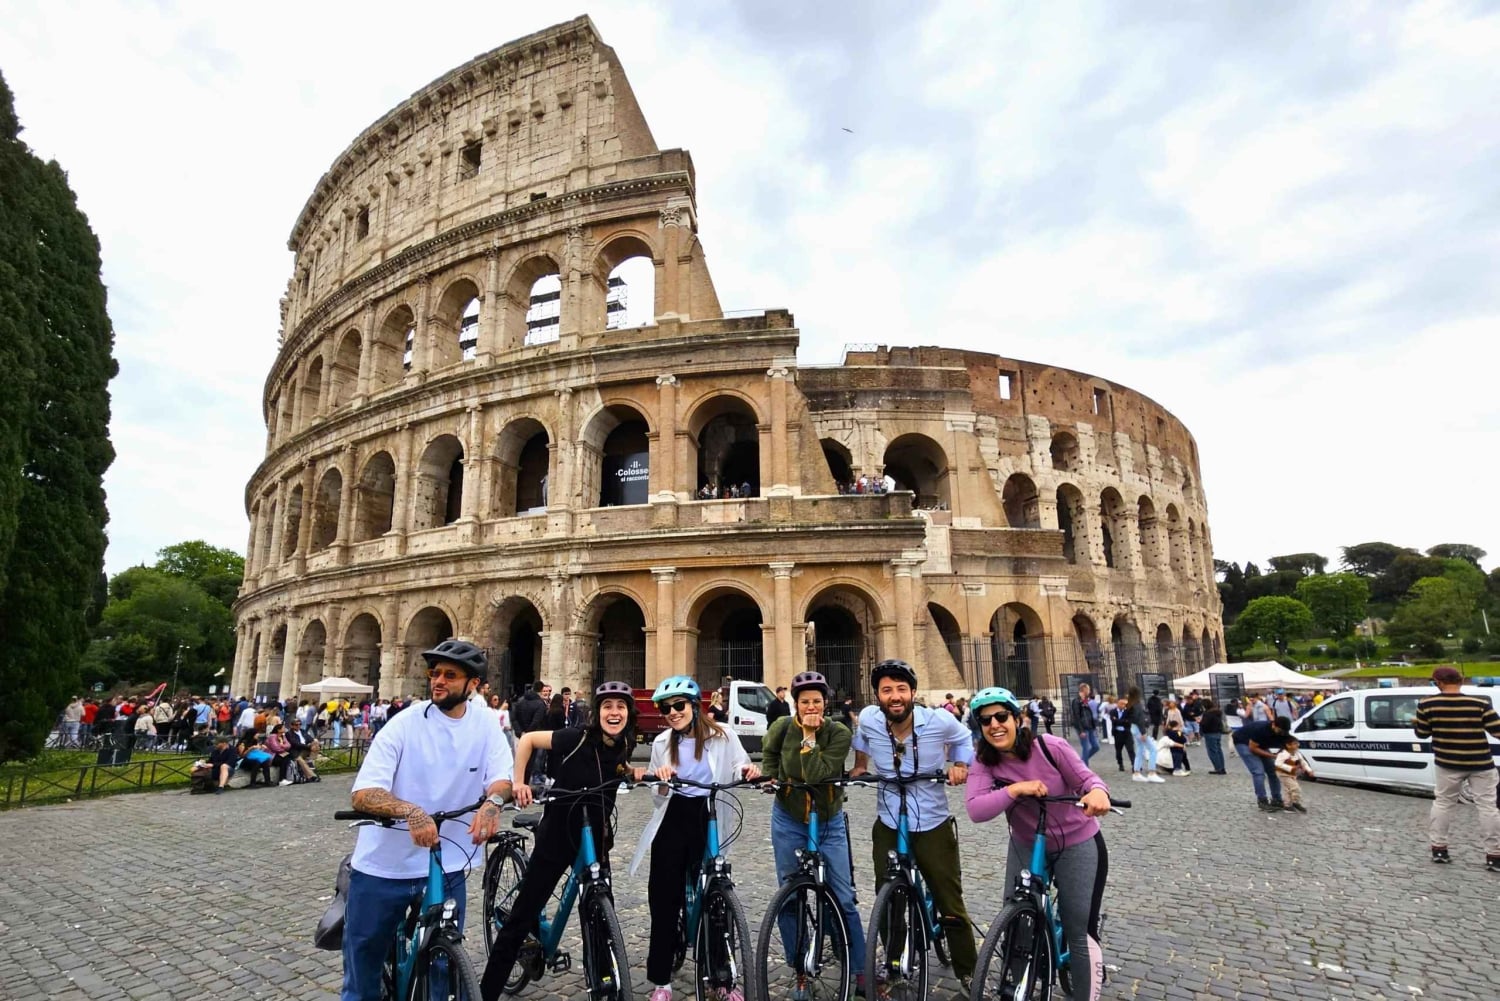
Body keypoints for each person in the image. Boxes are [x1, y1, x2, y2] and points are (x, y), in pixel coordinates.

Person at [340, 639, 514, 1001]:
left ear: (474, 685)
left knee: (444, 970)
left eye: (450, 675)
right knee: (363, 973)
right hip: (384, 867)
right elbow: (364, 792)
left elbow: (501, 778)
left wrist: (493, 802)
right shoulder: (403, 724)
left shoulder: (484, 724)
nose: (438, 681)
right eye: (435, 673)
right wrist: (410, 811)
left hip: (446, 863)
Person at [479, 681, 646, 1001]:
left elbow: (615, 769)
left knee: (597, 917)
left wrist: (633, 772)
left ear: (628, 713)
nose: (614, 712)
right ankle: (487, 993)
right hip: (557, 834)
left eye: (620, 707)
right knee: (520, 919)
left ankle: (603, 984)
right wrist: (519, 782)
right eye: (607, 706)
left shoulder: (622, 746)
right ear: (597, 713)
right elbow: (527, 740)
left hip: (594, 838)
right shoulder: (575, 737)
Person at [965, 686, 1113, 1001]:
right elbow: (976, 809)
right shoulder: (984, 760)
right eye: (986, 720)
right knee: (1016, 925)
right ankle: (1019, 990)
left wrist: (1098, 793)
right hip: (1025, 843)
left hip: (1077, 841)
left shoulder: (1050, 746)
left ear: (1018, 718)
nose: (995, 725)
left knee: (1078, 931)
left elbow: (1088, 780)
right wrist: (1015, 789)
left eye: (1001, 716)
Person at [849, 658, 978, 992]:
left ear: (913, 693)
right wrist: (860, 765)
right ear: (878, 695)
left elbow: (965, 739)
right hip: (890, 820)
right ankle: (893, 960)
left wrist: (961, 764)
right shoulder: (869, 719)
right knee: (888, 896)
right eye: (887, 690)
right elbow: (860, 739)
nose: (895, 696)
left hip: (932, 822)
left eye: (901, 689)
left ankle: (968, 972)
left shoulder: (938, 720)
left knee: (949, 901)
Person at [629, 676, 759, 1001]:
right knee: (663, 898)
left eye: (679, 706)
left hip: (709, 813)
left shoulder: (723, 735)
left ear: (693, 707)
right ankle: (661, 981)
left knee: (716, 896)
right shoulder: (661, 743)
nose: (673, 712)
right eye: (666, 708)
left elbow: (741, 762)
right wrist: (660, 779)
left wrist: (748, 771)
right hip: (674, 815)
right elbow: (658, 797)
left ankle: (722, 978)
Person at [760, 671, 867, 994]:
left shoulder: (837, 733)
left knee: (844, 897)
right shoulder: (781, 727)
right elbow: (770, 753)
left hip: (829, 820)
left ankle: (859, 970)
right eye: (805, 702)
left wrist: (808, 738)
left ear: (825, 703)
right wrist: (769, 775)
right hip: (789, 818)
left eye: (816, 702)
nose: (811, 707)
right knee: (790, 896)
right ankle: (800, 970)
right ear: (795, 704)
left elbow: (818, 773)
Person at [1413, 665, 1500, 869]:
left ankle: (1439, 848)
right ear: (1460, 681)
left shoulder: (1427, 704)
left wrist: (1416, 723)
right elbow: (1498, 731)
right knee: (1488, 807)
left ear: (1438, 682)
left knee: (1443, 804)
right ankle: (1494, 855)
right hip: (1480, 762)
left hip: (1447, 763)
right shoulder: (1480, 703)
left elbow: (1422, 734)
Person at [1231, 714, 1291, 811]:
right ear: (1274, 725)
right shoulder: (1262, 730)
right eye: (1280, 731)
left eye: (1284, 732)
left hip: (1261, 744)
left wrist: (1282, 756)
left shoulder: (1283, 732)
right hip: (1243, 742)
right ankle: (1262, 800)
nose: (1282, 734)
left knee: (1273, 771)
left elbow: (1287, 746)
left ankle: (1277, 800)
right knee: (1258, 772)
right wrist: (1273, 756)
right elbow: (1253, 748)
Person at [1126, 688, 1163, 783]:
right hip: (1139, 729)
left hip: (1134, 728)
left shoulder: (1130, 704)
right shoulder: (1137, 704)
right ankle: (1151, 772)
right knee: (1153, 749)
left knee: (1140, 750)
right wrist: (1143, 732)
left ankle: (1137, 773)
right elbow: (1140, 719)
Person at [1274, 736, 1314, 813]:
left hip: (1292, 774)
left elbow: (1303, 762)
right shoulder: (1283, 754)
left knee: (1288, 789)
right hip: (1283, 774)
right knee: (1295, 788)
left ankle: (1287, 806)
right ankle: (1295, 802)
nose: (1297, 745)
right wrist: (1290, 768)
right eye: (1295, 744)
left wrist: (1309, 770)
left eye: (1297, 743)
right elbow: (1277, 763)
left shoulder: (1297, 753)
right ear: (1288, 745)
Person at [1071, 683, 1099, 765]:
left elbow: (1089, 714)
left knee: (1096, 746)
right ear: (1084, 690)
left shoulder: (1086, 700)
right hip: (1083, 727)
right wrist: (1081, 730)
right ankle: (1085, 768)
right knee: (1085, 748)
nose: (1089, 691)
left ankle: (1081, 761)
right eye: (1088, 689)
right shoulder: (1076, 701)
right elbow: (1076, 716)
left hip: (1090, 726)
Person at [1198, 698, 1227, 774]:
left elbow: (1205, 724)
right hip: (1217, 732)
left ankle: (1218, 768)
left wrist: (1200, 722)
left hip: (1210, 733)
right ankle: (1222, 767)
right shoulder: (1217, 712)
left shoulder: (1207, 714)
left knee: (1212, 752)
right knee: (1219, 751)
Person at [1109, 697, 1132, 773]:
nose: (1123, 705)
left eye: (1125, 704)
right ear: (1117, 704)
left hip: (1127, 733)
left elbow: (1128, 722)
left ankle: (1134, 765)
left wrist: (1118, 720)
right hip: (1117, 733)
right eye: (1121, 704)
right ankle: (1120, 764)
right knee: (1118, 750)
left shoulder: (1128, 711)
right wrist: (1123, 721)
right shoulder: (1113, 711)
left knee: (1131, 749)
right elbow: (1113, 721)